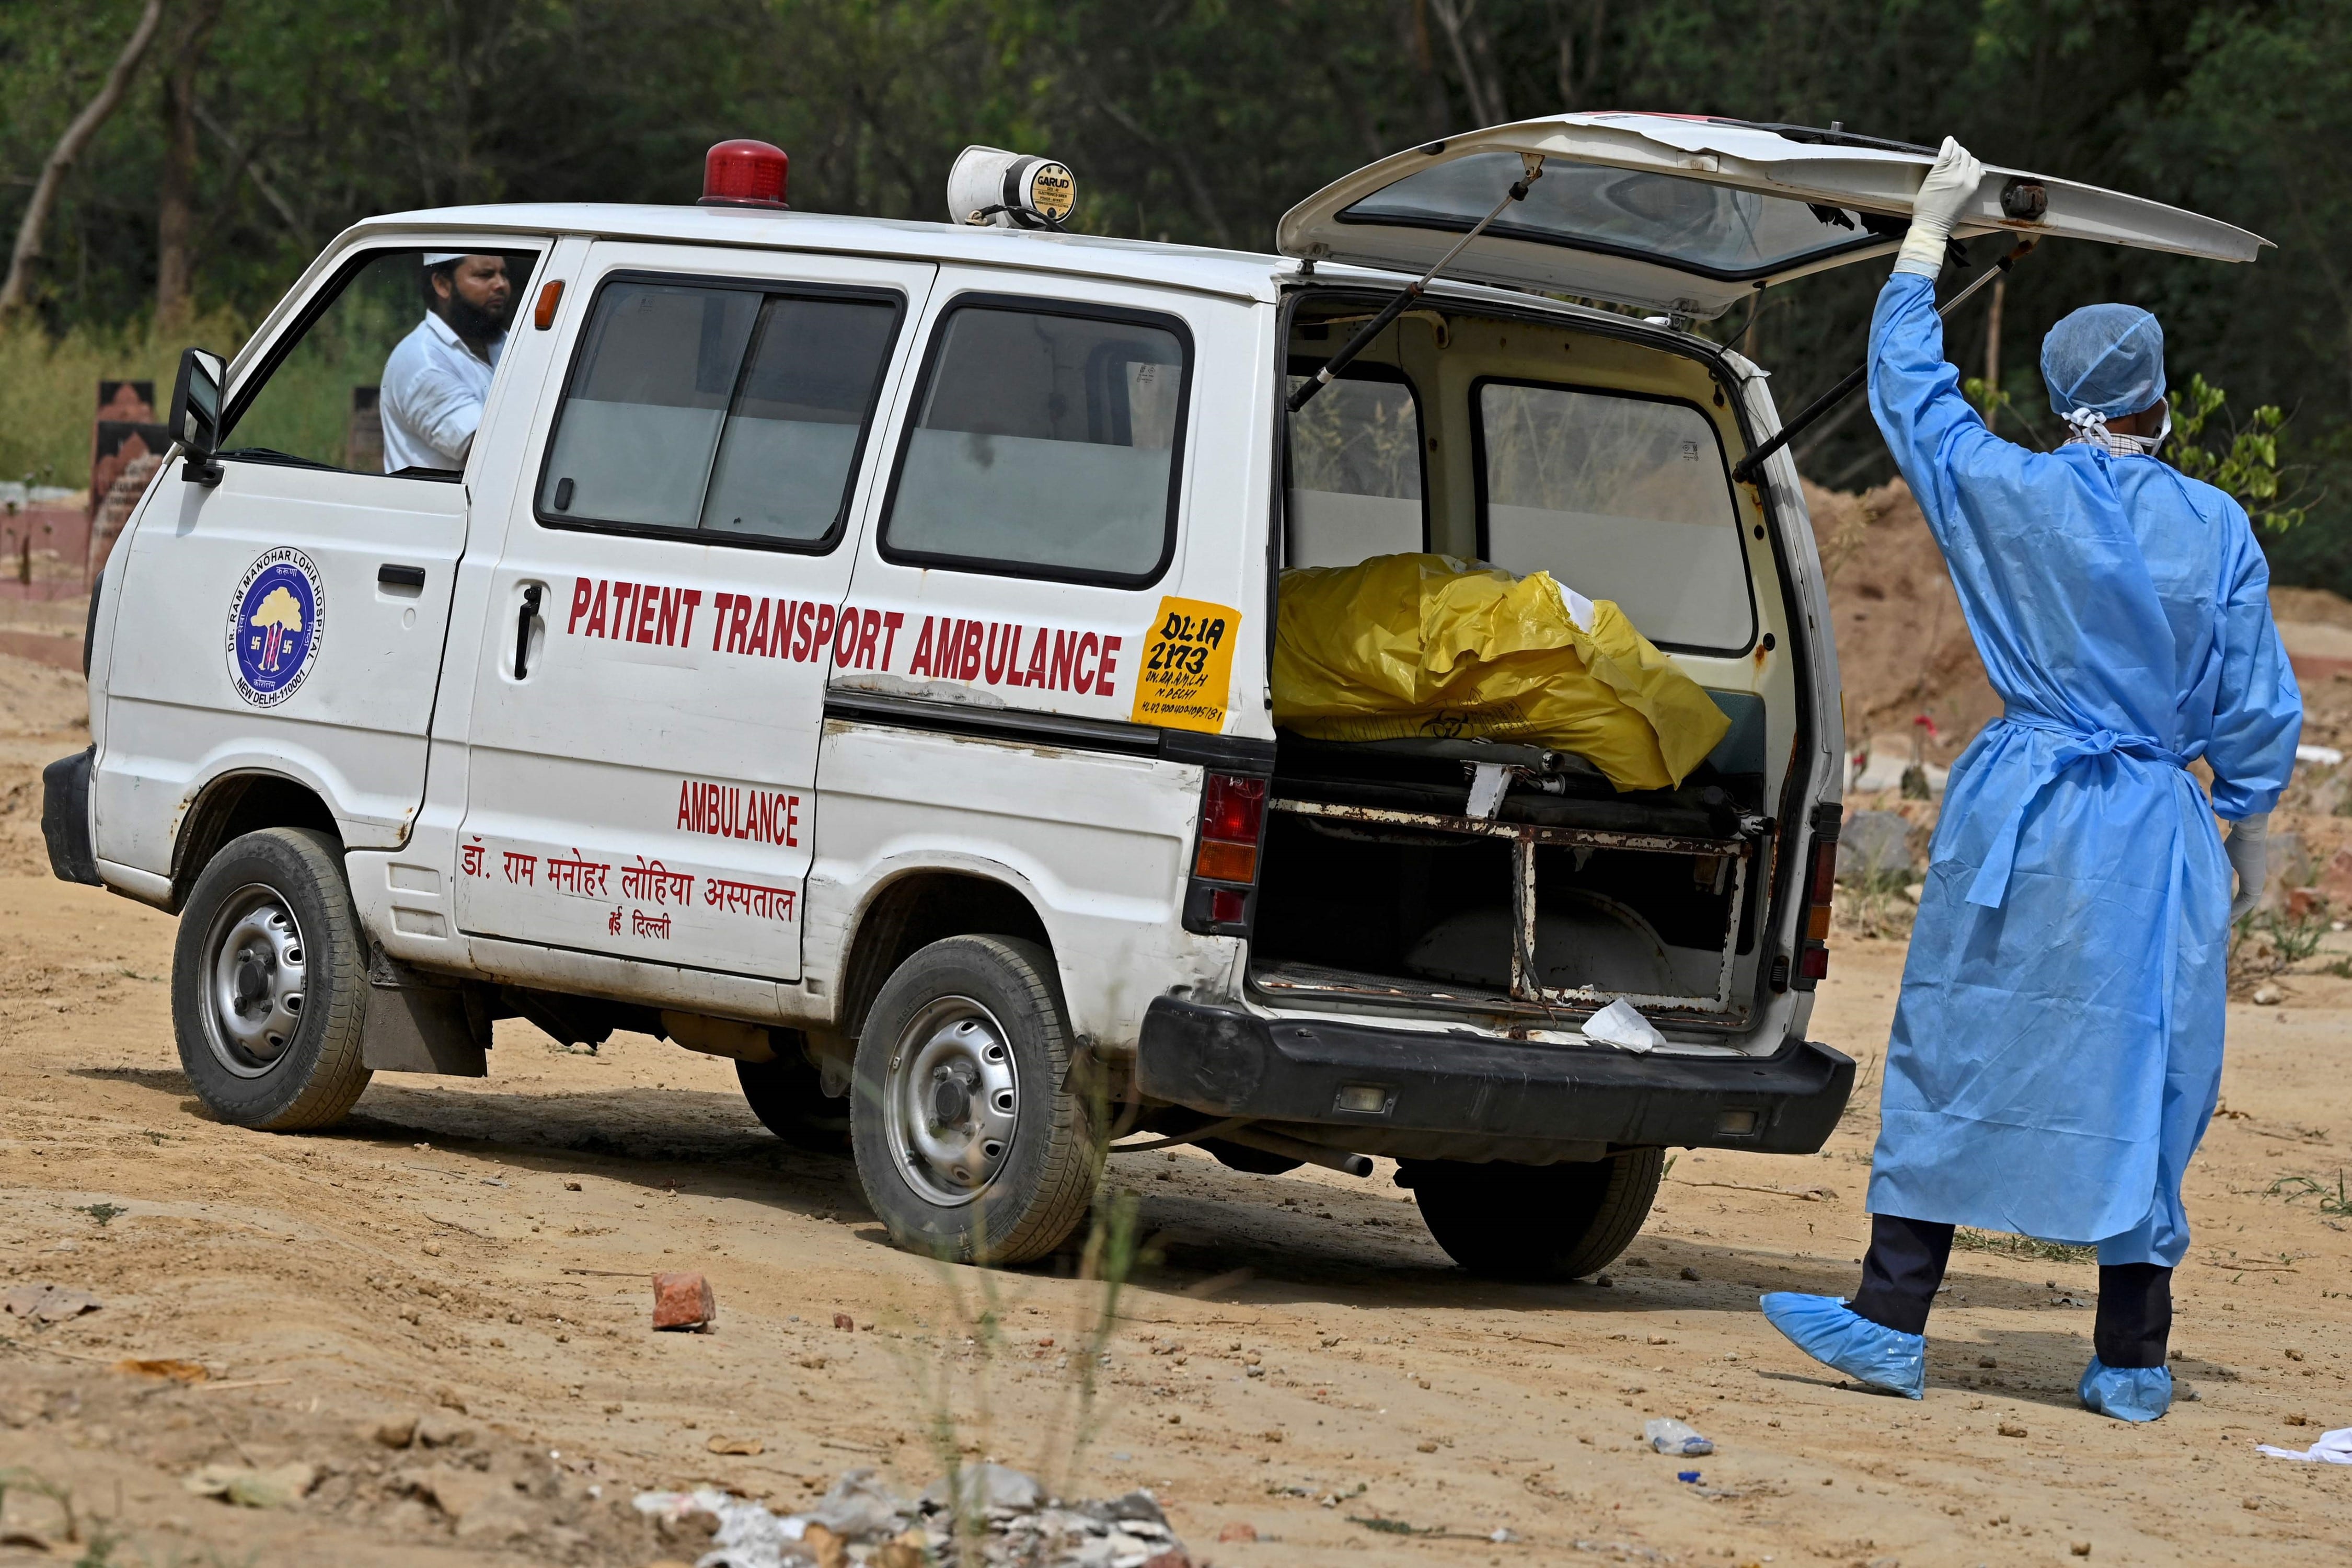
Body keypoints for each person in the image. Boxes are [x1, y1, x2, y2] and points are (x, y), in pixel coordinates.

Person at [1760, 137, 2301, 1423]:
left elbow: (1911, 393)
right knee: (2147, 1069)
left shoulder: (2006, 491)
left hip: (2027, 812)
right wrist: (2219, 806)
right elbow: (2257, 715)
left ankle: (1891, 1315)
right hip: (2151, 826)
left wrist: (1923, 241)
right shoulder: (2214, 527)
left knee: (1961, 1037)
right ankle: (2128, 1357)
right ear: (2157, 401)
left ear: (2065, 401)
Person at [380, 252, 513, 473]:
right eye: (485, 275)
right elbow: (491, 453)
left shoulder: (504, 342)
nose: (500, 285)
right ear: (442, 284)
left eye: (503, 274)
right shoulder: (423, 362)